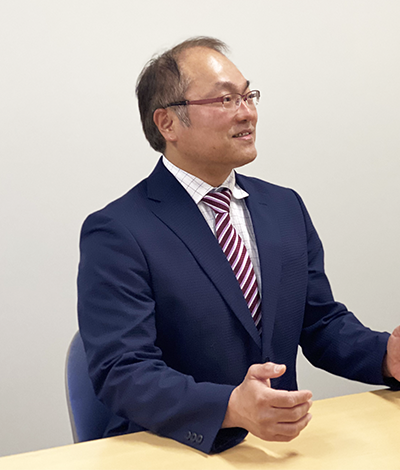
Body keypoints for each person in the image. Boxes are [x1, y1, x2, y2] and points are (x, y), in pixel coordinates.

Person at [77, 36, 400, 454]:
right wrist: (230, 407)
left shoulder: (283, 207)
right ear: (167, 123)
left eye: (248, 96)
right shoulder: (118, 231)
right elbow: (123, 371)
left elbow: (320, 323)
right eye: (226, 100)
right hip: (172, 449)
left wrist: (387, 355)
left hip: (276, 449)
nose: (247, 112)